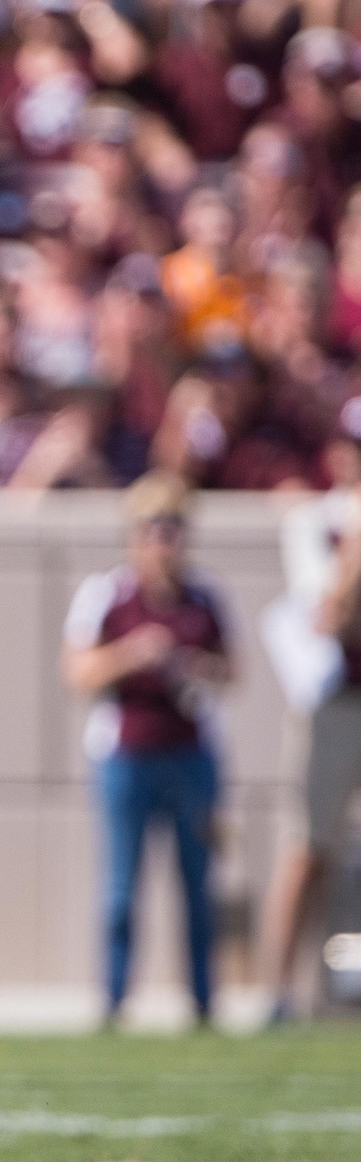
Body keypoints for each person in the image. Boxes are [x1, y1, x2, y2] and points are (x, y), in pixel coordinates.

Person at [63, 473, 231, 1026]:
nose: (164, 542)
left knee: (197, 883)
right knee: (119, 888)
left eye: (174, 528)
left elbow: (232, 671)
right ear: (134, 537)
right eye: (153, 529)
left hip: (191, 754)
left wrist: (191, 666)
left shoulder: (204, 596)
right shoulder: (107, 594)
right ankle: (113, 1001)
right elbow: (78, 670)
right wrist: (132, 655)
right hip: (126, 755)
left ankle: (205, 1002)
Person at [260, 398, 361, 1019]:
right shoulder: (314, 522)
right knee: (307, 845)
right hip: (335, 705)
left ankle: (338, 989)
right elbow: (328, 614)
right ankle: (277, 990)